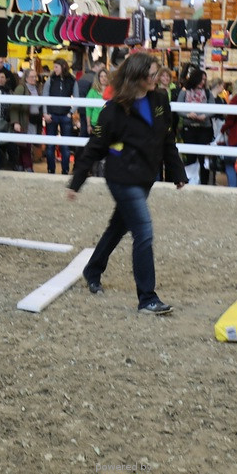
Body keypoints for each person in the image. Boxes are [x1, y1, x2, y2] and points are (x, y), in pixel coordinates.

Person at [67, 52, 187, 315]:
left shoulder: (160, 100)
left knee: (119, 227)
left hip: (146, 176)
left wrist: (177, 172)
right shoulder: (112, 110)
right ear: (138, 77)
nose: (158, 78)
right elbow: (95, 146)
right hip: (121, 178)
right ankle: (147, 298)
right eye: (153, 74)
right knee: (143, 232)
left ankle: (92, 269)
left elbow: (167, 139)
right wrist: (76, 182)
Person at [177, 68, 215, 185]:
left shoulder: (208, 92)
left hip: (205, 128)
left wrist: (205, 115)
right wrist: (188, 114)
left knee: (204, 158)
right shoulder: (184, 92)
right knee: (190, 157)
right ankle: (191, 181)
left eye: (205, 79)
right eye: (201, 79)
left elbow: (213, 108)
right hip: (189, 127)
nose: (203, 81)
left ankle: (204, 182)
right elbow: (178, 108)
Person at [42, 58, 77, 175]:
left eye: (56, 67)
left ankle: (65, 170)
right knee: (50, 146)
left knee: (65, 146)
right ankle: (51, 169)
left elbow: (76, 98)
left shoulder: (72, 80)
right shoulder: (51, 79)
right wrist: (45, 112)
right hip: (52, 114)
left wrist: (71, 112)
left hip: (65, 115)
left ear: (63, 67)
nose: (54, 69)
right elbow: (45, 95)